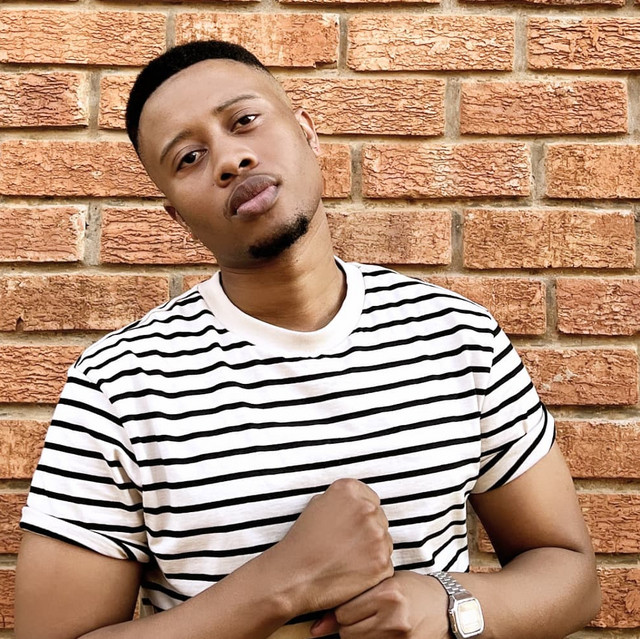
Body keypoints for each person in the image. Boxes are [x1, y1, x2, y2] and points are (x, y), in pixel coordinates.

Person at [15, 40, 600, 639]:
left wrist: (449, 606)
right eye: (189, 158)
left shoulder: (455, 332)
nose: (230, 160)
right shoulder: (120, 383)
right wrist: (281, 583)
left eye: (245, 121)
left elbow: (572, 577)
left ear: (307, 132)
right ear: (177, 215)